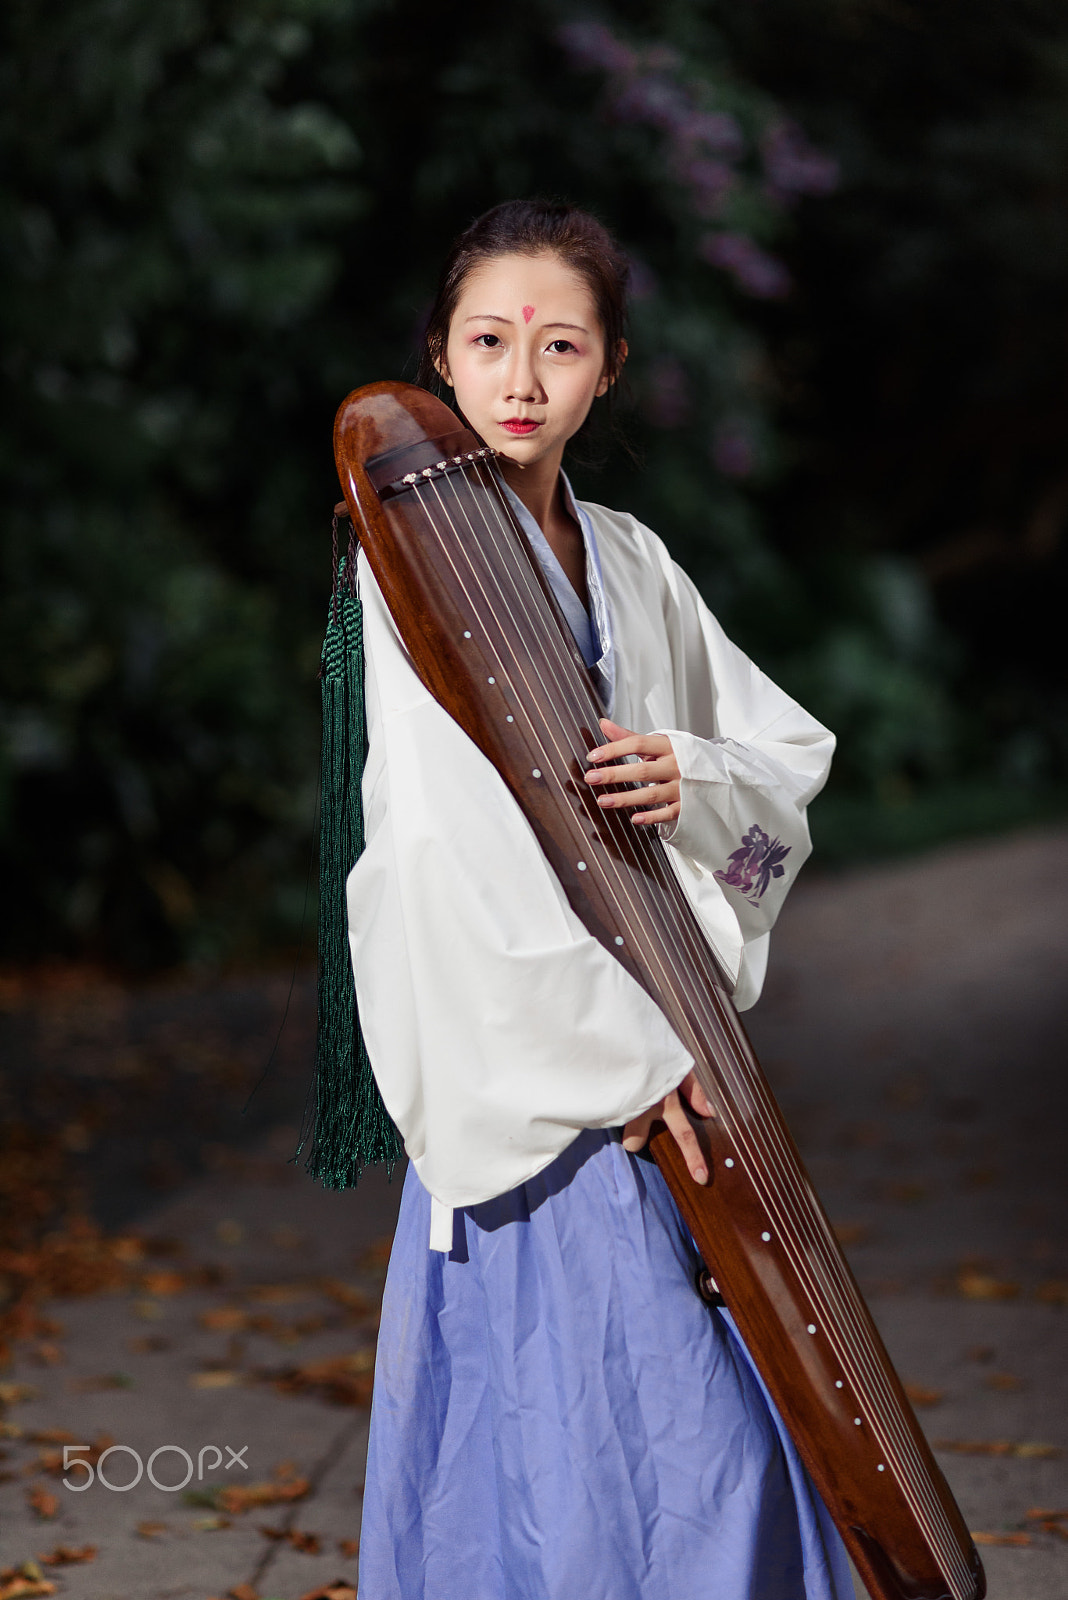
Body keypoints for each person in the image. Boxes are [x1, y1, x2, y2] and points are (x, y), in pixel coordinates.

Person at [345, 200, 854, 1600]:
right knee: (613, 1435)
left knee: (689, 1434)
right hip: (555, 1065)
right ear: (438, 361)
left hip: (657, 1054)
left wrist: (683, 773)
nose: (522, 379)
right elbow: (447, 849)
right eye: (490, 341)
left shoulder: (629, 557)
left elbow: (780, 754)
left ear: (609, 367)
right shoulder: (408, 570)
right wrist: (626, 1062)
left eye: (559, 345)